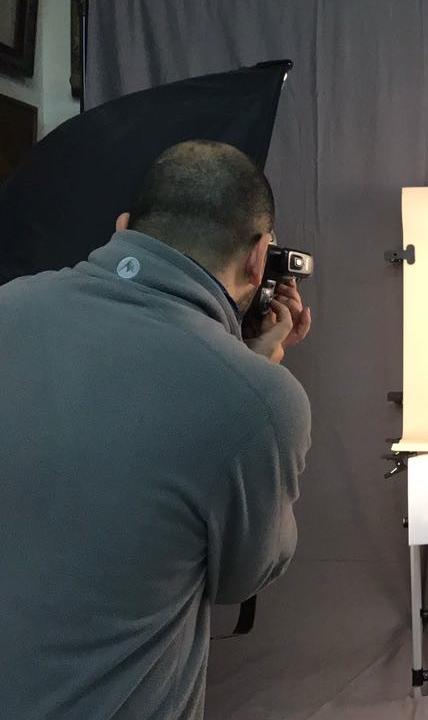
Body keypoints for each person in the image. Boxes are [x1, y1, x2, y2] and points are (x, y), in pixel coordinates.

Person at [0, 140, 313, 718]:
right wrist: (253, 375)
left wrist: (243, 365)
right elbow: (243, 576)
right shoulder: (260, 404)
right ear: (259, 257)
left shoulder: (8, 304)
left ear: (124, 227)